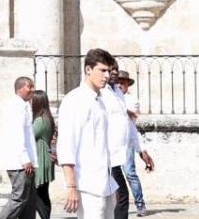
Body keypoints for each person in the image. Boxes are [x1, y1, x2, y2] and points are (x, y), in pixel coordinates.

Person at [58, 48, 117, 218]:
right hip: (87, 185)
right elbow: (67, 145)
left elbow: (101, 146)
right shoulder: (74, 100)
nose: (107, 76)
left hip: (104, 183)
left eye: (109, 71)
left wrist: (111, 185)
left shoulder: (101, 100)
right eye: (102, 70)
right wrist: (71, 186)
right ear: (88, 69)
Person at [0, 77, 37, 219]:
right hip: (19, 162)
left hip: (26, 161)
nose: (32, 90)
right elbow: (17, 134)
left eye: (33, 87)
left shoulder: (23, 105)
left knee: (30, 200)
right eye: (29, 87)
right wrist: (25, 158)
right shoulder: (16, 107)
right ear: (19, 89)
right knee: (19, 198)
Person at [117, 71, 154, 217]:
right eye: (118, 82)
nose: (120, 85)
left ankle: (140, 204)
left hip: (127, 140)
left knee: (130, 173)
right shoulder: (112, 97)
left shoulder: (131, 99)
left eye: (123, 82)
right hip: (113, 141)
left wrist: (118, 107)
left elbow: (133, 116)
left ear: (127, 84)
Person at [101, 61, 133, 219]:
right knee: (120, 197)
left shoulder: (117, 92)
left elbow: (126, 122)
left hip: (116, 157)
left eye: (115, 70)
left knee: (118, 198)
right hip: (108, 156)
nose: (113, 73)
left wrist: (142, 150)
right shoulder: (102, 93)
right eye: (109, 70)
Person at [31, 90, 56, 219]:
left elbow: (30, 136)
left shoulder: (40, 121)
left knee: (36, 194)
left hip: (41, 159)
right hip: (45, 159)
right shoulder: (47, 118)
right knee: (43, 193)